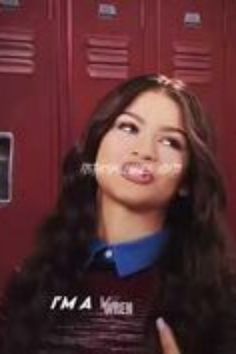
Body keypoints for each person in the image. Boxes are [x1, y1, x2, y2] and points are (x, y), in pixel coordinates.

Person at [0, 74, 236, 354]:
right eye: (129, 127)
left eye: (171, 142)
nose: (144, 151)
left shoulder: (219, 300)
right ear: (96, 146)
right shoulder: (35, 277)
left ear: (186, 180)